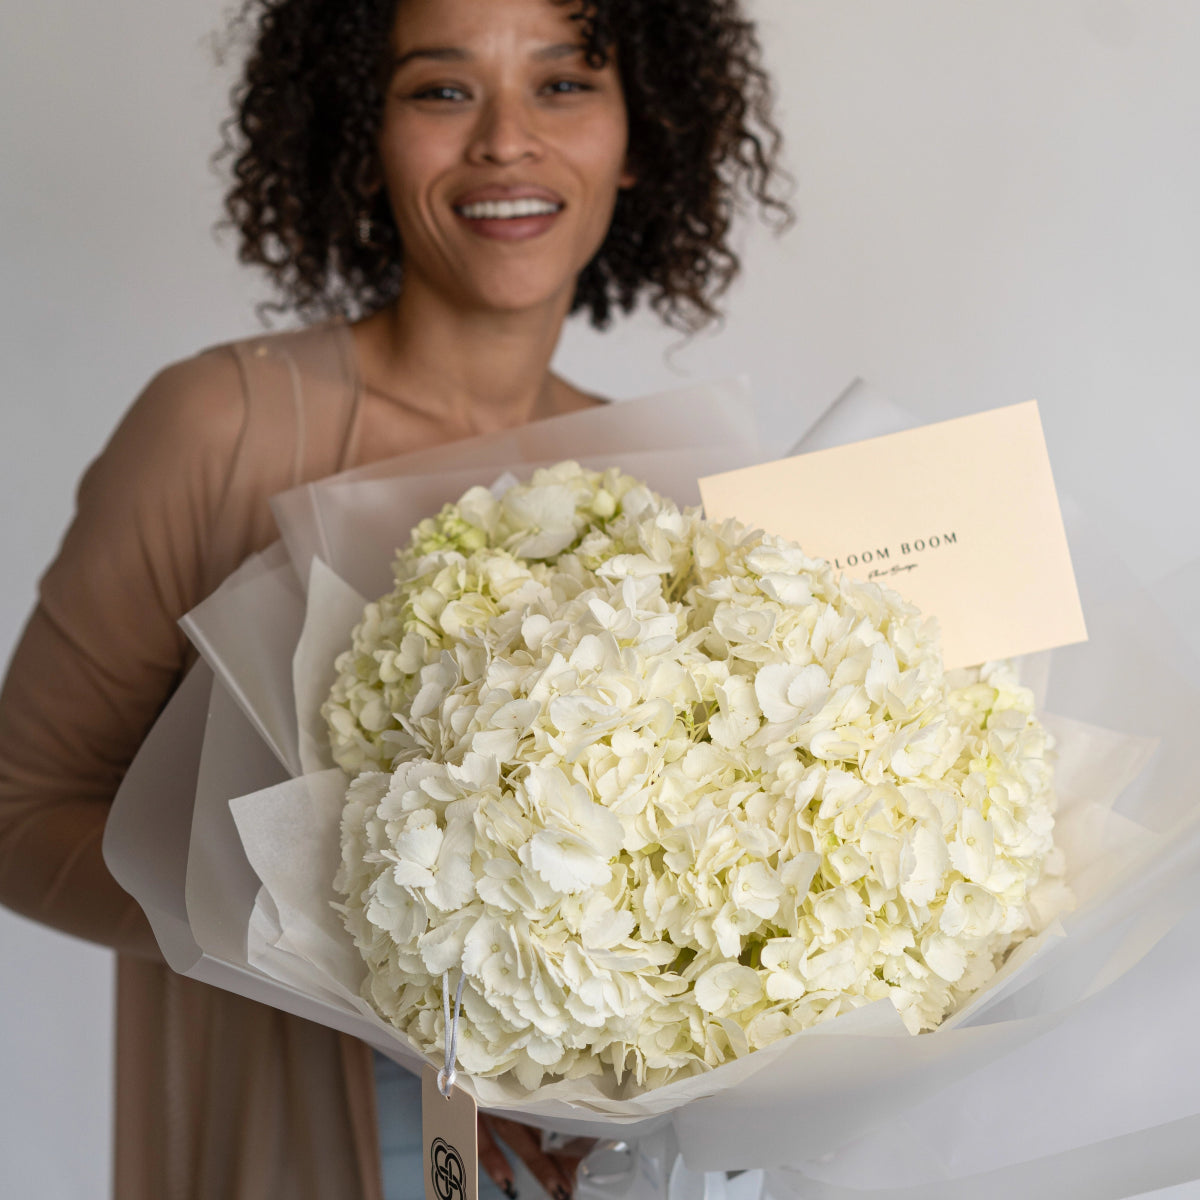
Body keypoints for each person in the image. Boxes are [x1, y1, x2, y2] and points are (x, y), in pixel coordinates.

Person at [0, 0, 790, 1196]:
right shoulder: (222, 430)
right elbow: (19, 815)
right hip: (299, 1135)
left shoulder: (681, 487)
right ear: (359, 135)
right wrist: (365, 967)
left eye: (564, 83)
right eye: (441, 89)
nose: (507, 139)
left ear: (643, 134)